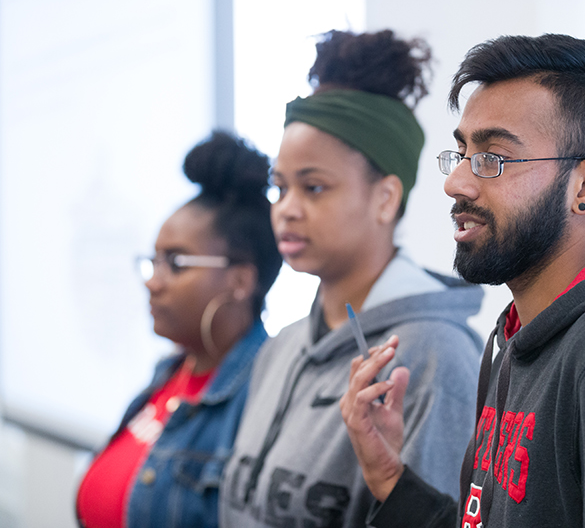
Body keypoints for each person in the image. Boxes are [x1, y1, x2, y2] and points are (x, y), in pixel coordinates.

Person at [340, 33, 585, 527]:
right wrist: (388, 475)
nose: (455, 182)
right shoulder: (517, 336)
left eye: (492, 159)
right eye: (461, 154)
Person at [219, 30, 484, 528]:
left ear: (385, 198)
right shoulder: (280, 350)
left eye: (314, 187)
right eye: (280, 188)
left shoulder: (437, 358)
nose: (287, 210)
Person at [76, 131, 283, 528]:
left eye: (176, 263)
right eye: (153, 261)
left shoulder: (264, 397)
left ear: (240, 280)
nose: (153, 281)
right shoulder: (167, 376)